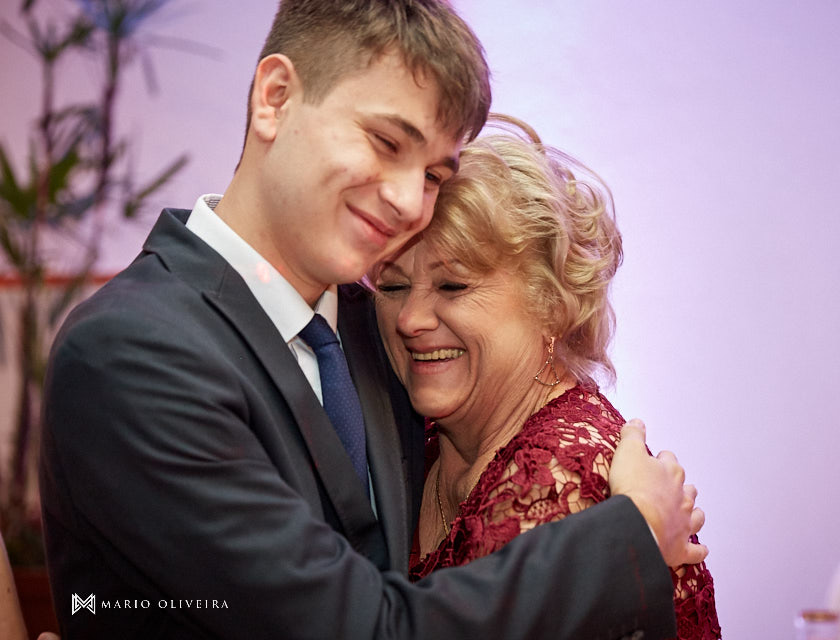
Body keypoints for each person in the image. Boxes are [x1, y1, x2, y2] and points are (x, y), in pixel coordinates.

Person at [40, 1, 704, 638]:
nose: (408, 200)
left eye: (435, 174)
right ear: (274, 97)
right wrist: (633, 532)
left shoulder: (375, 333)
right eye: (386, 142)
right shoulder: (130, 354)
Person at [372, 115, 720, 639]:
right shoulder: (405, 435)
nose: (410, 319)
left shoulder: (564, 482)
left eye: (453, 285)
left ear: (552, 306)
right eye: (394, 287)